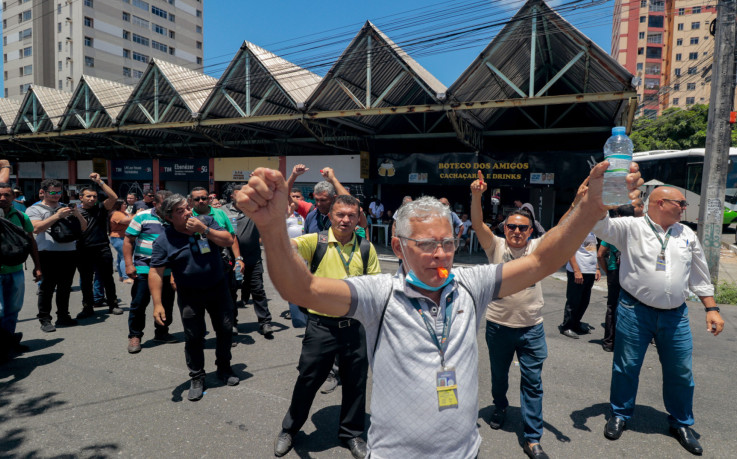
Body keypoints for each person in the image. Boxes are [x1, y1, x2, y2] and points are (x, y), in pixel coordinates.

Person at [235, 162, 642, 458]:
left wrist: (589, 209)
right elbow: (300, 288)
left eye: (447, 242)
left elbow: (539, 263)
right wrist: (272, 229)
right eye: (426, 244)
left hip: (465, 452)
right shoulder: (379, 294)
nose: (440, 253)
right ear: (398, 248)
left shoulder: (470, 284)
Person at [594, 186, 725, 455]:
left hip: (675, 316)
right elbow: (598, 224)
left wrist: (711, 308)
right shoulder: (630, 227)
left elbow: (699, 274)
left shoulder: (686, 233)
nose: (685, 206)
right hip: (634, 311)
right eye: (681, 202)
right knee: (626, 367)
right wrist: (611, 194)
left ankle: (681, 423)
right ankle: (620, 414)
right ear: (661, 203)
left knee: (681, 372)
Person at [273, 194, 380, 459]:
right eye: (340, 214)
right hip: (321, 326)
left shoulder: (366, 247)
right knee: (308, 379)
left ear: (358, 218)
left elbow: (377, 287)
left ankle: (352, 434)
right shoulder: (315, 241)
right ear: (330, 216)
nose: (345, 220)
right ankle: (290, 429)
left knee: (356, 383)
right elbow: (285, 248)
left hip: (356, 326)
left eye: (351, 215)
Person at [469, 172, 549, 459]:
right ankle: (500, 405)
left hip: (532, 327)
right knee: (499, 377)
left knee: (533, 382)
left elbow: (565, 231)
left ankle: (532, 438)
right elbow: (477, 224)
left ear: (531, 231)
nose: (516, 231)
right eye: (512, 226)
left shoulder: (538, 249)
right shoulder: (496, 247)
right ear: (504, 228)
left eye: (522, 228)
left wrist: (579, 203)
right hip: (498, 326)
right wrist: (477, 195)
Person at [149, 194, 237, 401]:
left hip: (218, 288)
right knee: (194, 336)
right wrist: (158, 304)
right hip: (190, 294)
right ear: (169, 217)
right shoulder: (164, 240)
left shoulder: (205, 221)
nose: (188, 212)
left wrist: (204, 230)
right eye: (181, 211)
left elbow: (228, 240)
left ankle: (224, 368)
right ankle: (197, 376)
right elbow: (155, 272)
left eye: (187, 208)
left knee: (224, 330)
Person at [0, 167, 41, 361]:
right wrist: (5, 167)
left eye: (6, 195)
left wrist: (38, 266)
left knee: (12, 310)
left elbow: (31, 241)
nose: (2, 198)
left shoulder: (21, 216)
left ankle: (6, 344)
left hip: (16, 271)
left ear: (13, 196)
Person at [27, 179, 88, 332]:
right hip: (47, 253)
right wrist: (57, 216)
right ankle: (45, 319)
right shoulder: (35, 209)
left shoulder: (65, 207)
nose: (56, 195)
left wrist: (77, 214)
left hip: (69, 252)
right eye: (52, 192)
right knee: (47, 288)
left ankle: (63, 316)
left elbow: (83, 227)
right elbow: (36, 228)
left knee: (65, 287)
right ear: (44, 192)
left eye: (59, 192)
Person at [124, 190, 178, 354]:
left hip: (167, 270)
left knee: (167, 303)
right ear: (155, 204)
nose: (169, 209)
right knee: (139, 304)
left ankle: (162, 333)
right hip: (144, 268)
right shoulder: (142, 217)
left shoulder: (174, 218)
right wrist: (128, 264)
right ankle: (135, 335)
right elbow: (128, 240)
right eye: (165, 205)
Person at [221, 184, 273, 338]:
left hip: (253, 259)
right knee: (231, 293)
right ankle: (233, 324)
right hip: (230, 261)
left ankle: (265, 323)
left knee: (258, 291)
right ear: (232, 196)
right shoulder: (223, 211)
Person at [191, 187, 243, 334]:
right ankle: (199, 333)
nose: (201, 201)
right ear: (191, 201)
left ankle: (230, 325)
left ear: (209, 199)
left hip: (222, 264)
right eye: (197, 199)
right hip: (197, 266)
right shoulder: (187, 215)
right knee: (198, 303)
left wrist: (238, 259)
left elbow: (232, 237)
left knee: (228, 297)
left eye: (204, 198)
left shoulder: (220, 214)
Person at [75, 174, 122, 318]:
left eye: (94, 196)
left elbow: (113, 197)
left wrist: (100, 182)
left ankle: (113, 305)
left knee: (108, 278)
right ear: (81, 197)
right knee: (86, 280)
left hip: (102, 247)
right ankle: (87, 307)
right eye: (88, 196)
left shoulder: (101, 208)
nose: (92, 199)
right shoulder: (75, 212)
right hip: (83, 250)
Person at [597, 204, 639, 352]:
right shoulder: (638, 230)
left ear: (619, 216)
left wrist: (607, 271)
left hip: (615, 272)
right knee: (632, 306)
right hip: (632, 273)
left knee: (612, 307)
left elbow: (600, 254)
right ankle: (627, 342)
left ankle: (609, 342)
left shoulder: (615, 230)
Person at [558, 231, 601, 339]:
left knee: (584, 301)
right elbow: (570, 251)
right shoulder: (577, 230)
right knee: (573, 301)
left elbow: (592, 250)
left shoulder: (591, 232)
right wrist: (576, 271)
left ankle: (576, 323)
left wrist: (596, 268)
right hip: (577, 271)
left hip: (589, 271)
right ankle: (566, 326)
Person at [285, 201, 307, 329]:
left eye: (297, 198)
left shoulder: (303, 215)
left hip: (304, 251)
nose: (294, 201)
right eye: (292, 198)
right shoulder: (283, 215)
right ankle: (296, 312)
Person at [109, 200, 132, 283]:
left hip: (123, 237)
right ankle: (126, 277)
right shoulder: (116, 214)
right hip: (118, 238)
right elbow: (127, 221)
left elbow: (130, 218)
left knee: (120, 257)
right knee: (125, 257)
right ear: (118, 205)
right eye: (124, 204)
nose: (126, 205)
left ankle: (121, 276)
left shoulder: (124, 213)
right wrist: (138, 214)